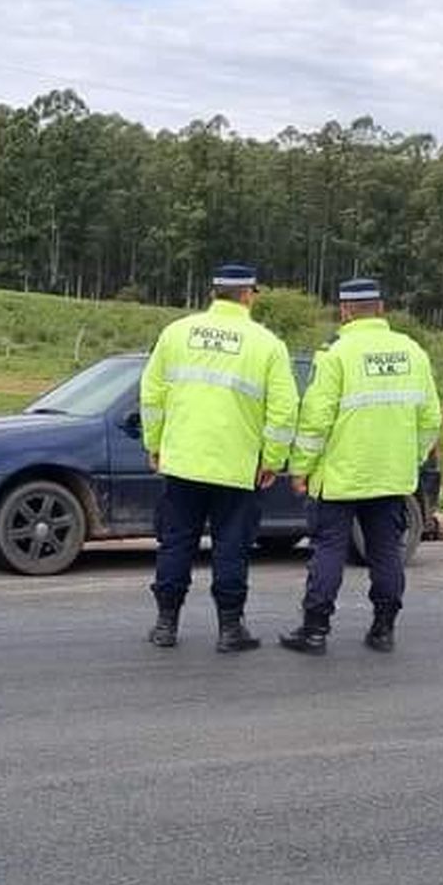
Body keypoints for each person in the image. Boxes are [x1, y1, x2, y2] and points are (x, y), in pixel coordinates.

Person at [139, 264, 299, 653]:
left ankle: (165, 625)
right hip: (236, 466)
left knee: (176, 542)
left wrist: (155, 443)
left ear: (214, 292)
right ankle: (230, 630)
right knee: (231, 546)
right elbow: (284, 410)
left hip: (183, 462)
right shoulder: (267, 344)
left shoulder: (176, 333)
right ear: (248, 295)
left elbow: (151, 393)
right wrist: (272, 460)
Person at [279, 278, 442, 655]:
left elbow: (316, 420)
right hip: (391, 477)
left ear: (345, 311)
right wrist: (410, 459)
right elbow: (431, 418)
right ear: (382, 309)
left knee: (329, 551)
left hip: (341, 478)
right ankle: (384, 629)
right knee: (386, 551)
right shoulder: (412, 352)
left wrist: (300, 468)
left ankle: (315, 630)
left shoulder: (336, 354)